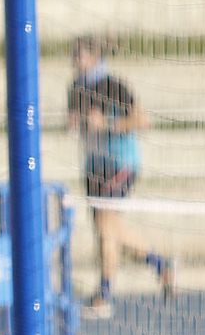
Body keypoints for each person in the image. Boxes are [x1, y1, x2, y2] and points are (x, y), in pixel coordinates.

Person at [66, 34, 174, 317]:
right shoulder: (75, 88)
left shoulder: (114, 86)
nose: (75, 60)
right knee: (105, 233)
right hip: (93, 166)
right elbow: (76, 123)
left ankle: (108, 292)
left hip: (120, 164)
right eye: (73, 55)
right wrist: (74, 124)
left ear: (94, 57)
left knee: (106, 225)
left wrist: (109, 124)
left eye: (80, 54)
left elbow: (143, 120)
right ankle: (154, 266)